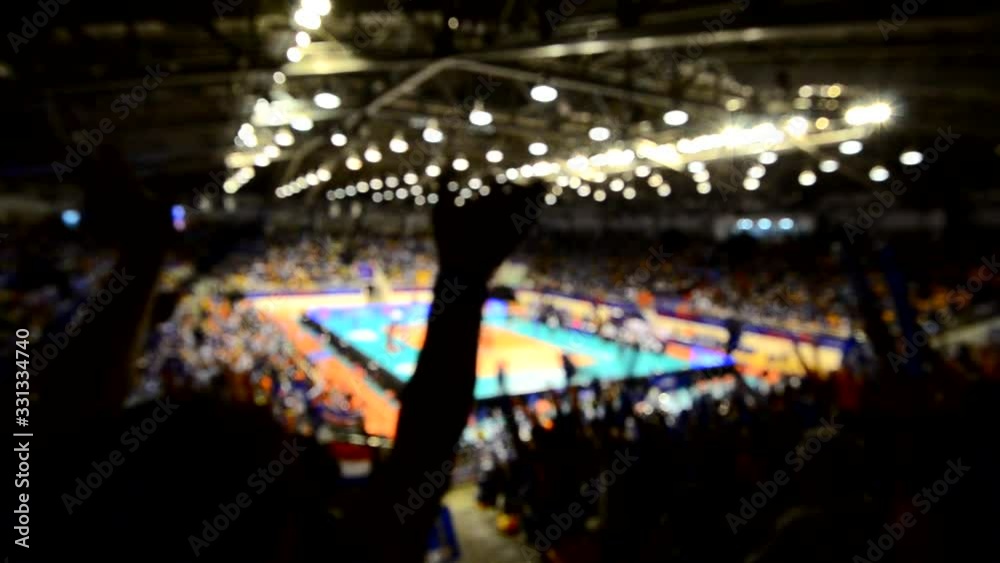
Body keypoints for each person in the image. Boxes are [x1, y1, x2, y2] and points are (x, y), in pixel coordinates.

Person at [32, 154, 544, 563]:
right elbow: (422, 455)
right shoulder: (321, 543)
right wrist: (462, 276)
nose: (275, 420)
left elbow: (55, 437)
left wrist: (144, 255)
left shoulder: (65, 523)